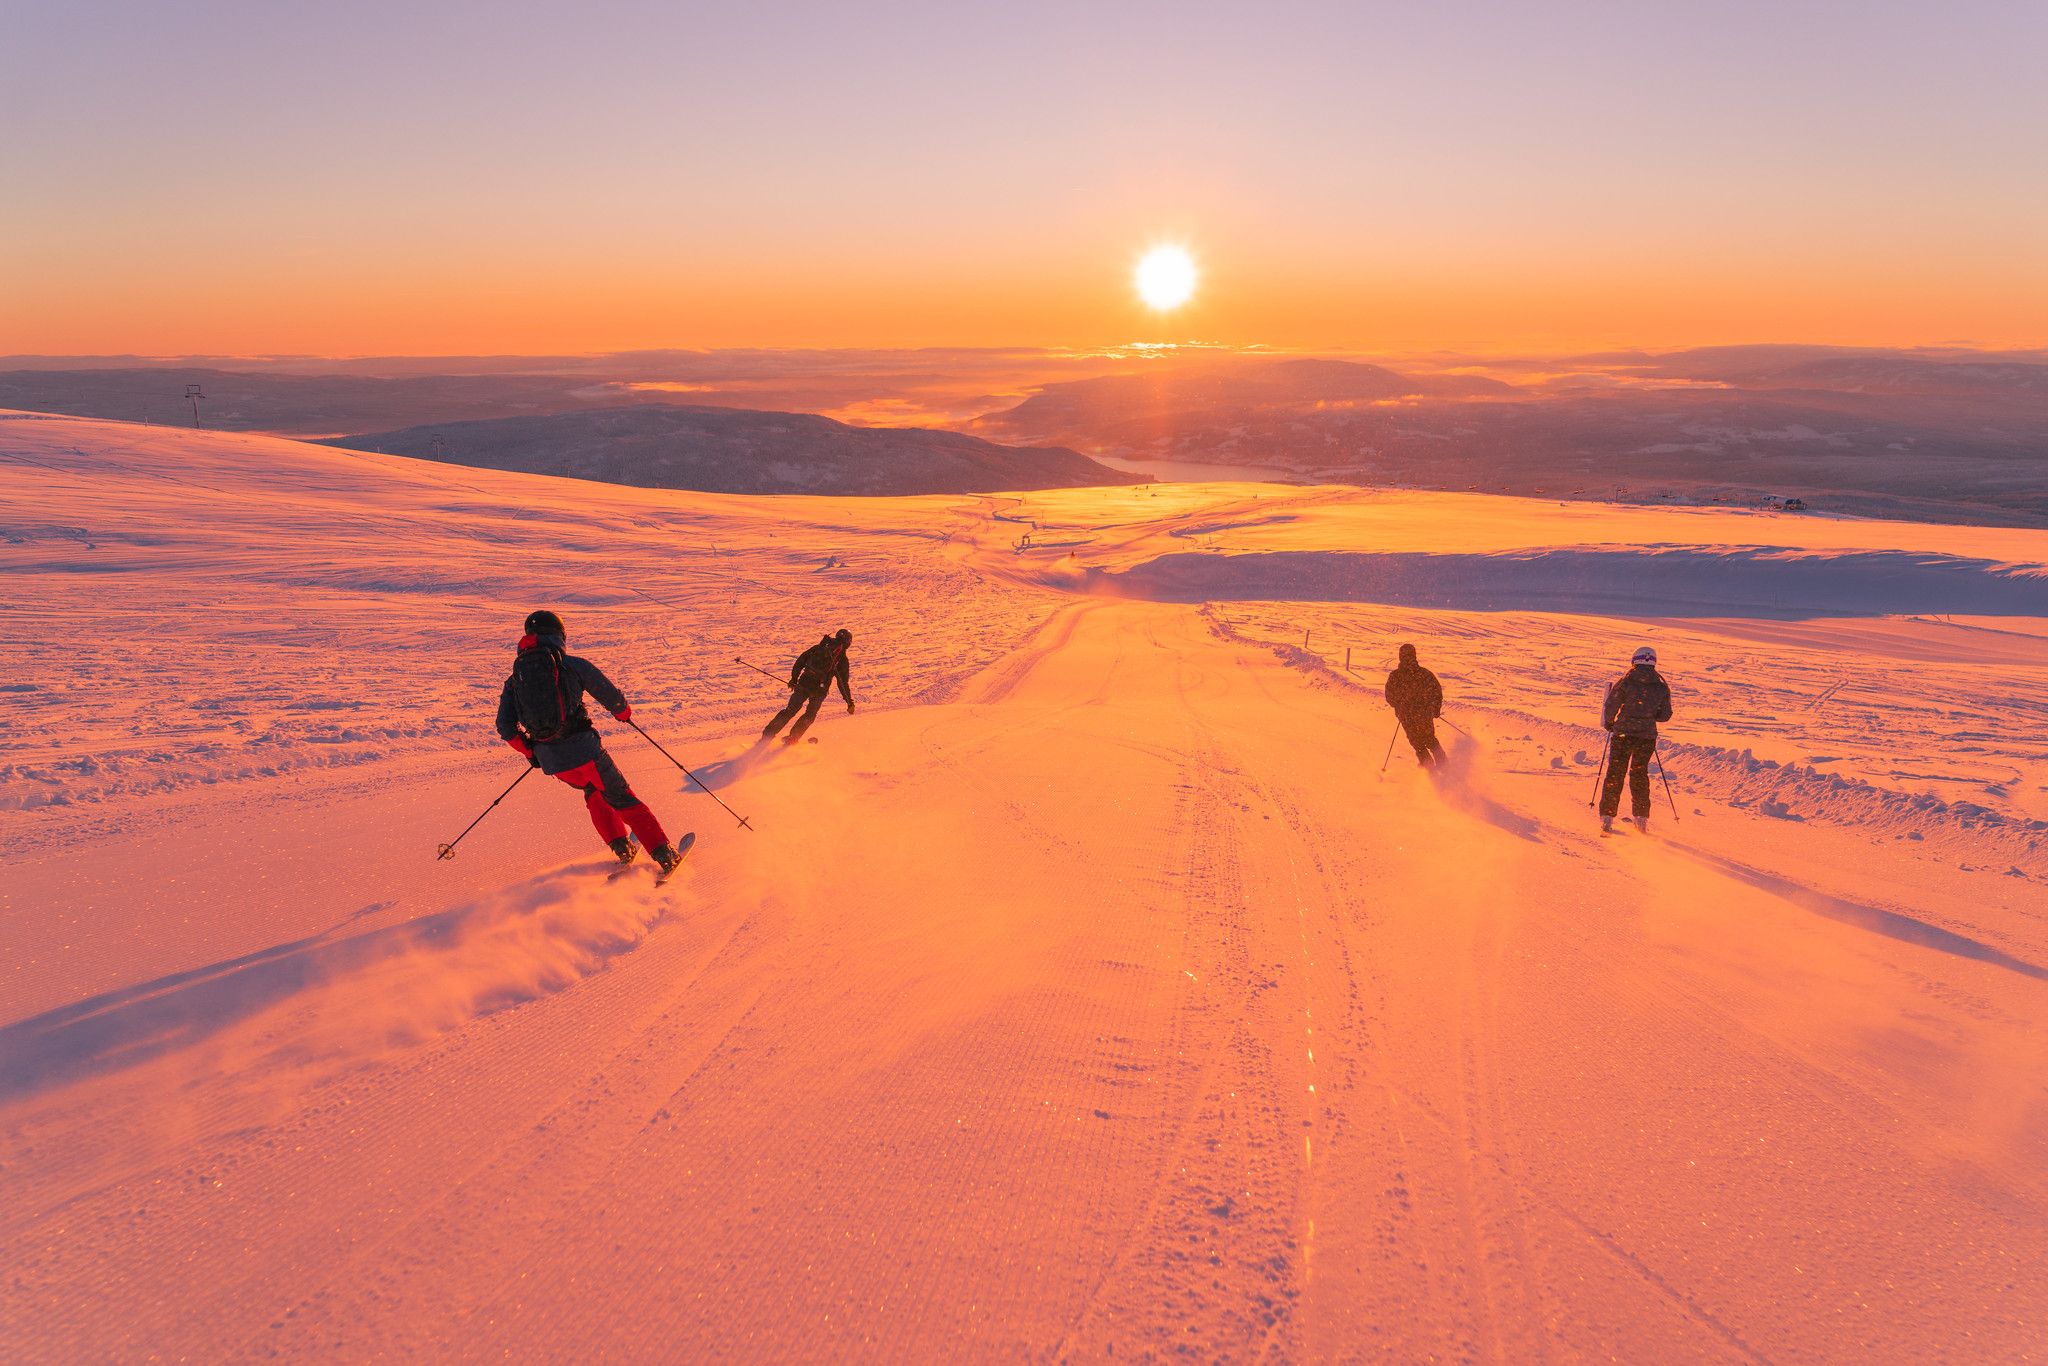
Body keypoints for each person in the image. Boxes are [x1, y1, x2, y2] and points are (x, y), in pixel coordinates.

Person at [496, 609, 685, 873]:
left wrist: (531, 753)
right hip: (584, 752)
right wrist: (623, 713)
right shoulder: (571, 664)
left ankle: (621, 847)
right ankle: (664, 854)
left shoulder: (515, 680)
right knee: (622, 798)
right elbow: (609, 694)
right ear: (559, 635)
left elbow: (505, 727)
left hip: (554, 764)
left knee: (593, 792)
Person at [1599, 646, 1673, 833]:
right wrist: (1648, 714)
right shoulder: (1661, 686)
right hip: (1646, 737)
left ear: (1634, 660)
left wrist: (1610, 723)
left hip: (1623, 734)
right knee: (1639, 775)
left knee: (1616, 773)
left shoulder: (1626, 681)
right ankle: (1641, 819)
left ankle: (1607, 817)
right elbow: (1664, 715)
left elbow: (1611, 704)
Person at [762, 629, 855, 745]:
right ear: (848, 643)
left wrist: (794, 679)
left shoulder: (818, 648)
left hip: (804, 683)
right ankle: (793, 738)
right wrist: (849, 702)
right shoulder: (842, 659)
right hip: (820, 689)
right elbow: (842, 683)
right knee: (810, 714)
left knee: (790, 710)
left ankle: (767, 735)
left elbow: (800, 661)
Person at [1383, 643, 1445, 768]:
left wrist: (1399, 704)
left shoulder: (1396, 676)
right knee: (1429, 738)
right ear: (1414, 655)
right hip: (1423, 713)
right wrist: (1435, 708)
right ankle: (1443, 764)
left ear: (1400, 657)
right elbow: (1436, 691)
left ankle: (1428, 766)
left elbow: (1389, 696)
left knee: (1417, 741)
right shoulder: (1424, 673)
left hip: (1406, 715)